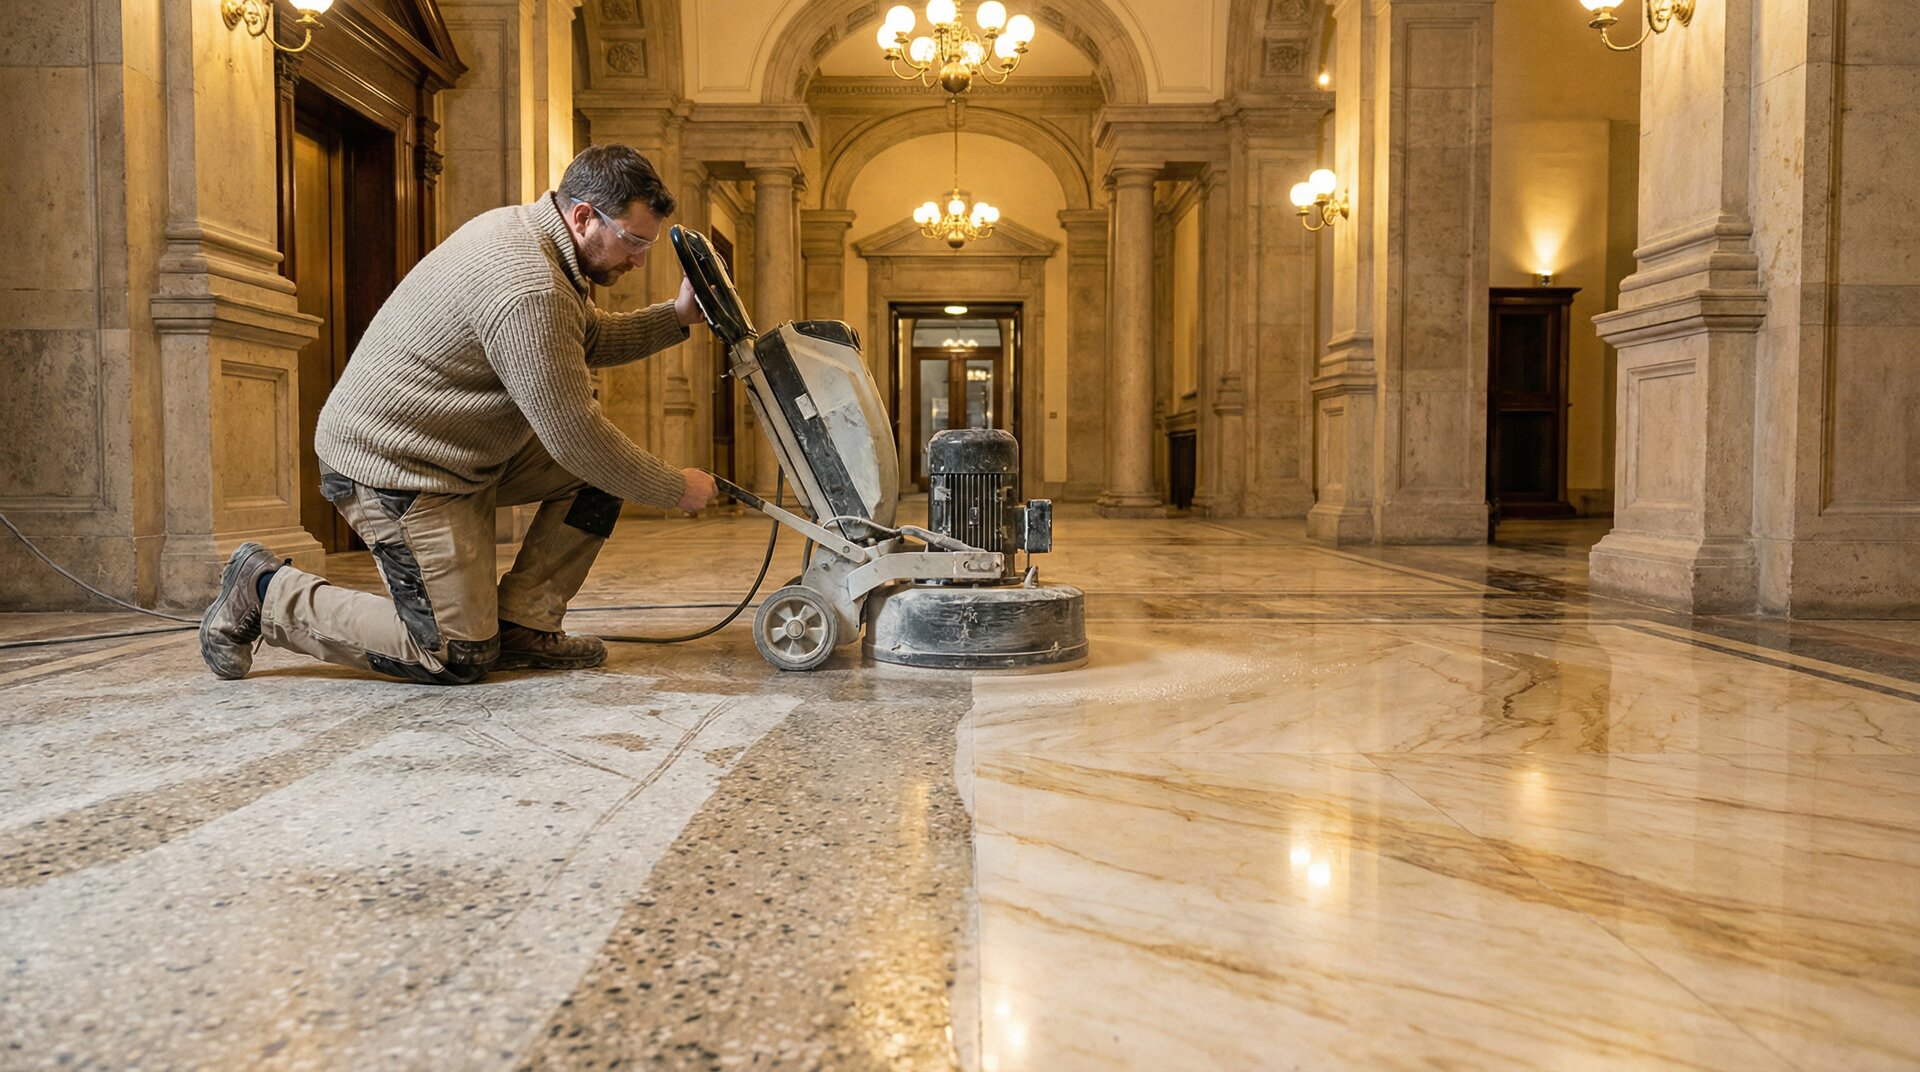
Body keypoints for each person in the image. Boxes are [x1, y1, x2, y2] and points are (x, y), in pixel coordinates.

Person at [198, 144, 718, 685]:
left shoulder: (539, 239)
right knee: (452, 654)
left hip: (455, 451)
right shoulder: (530, 284)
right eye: (633, 241)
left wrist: (678, 315)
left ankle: (524, 625)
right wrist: (672, 487)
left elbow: (585, 338)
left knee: (601, 476)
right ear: (584, 215)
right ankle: (263, 591)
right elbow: (573, 436)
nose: (638, 259)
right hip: (395, 466)